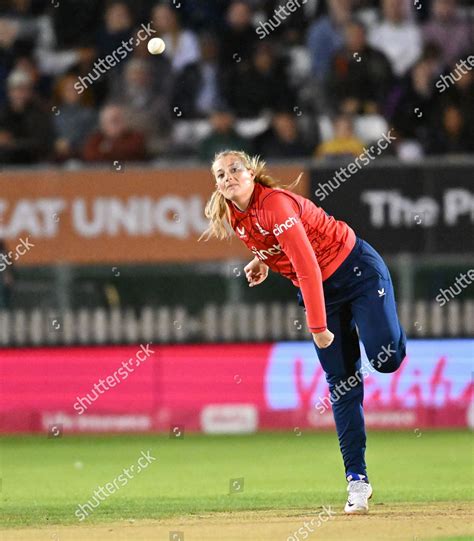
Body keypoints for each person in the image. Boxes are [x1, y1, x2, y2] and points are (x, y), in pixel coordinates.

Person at [200, 150, 407, 514]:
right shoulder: (235, 215)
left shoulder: (275, 204)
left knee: (387, 359)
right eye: (221, 175)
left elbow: (307, 264)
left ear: (252, 174)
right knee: (342, 385)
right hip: (322, 292)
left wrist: (318, 328)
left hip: (356, 271)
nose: (228, 177)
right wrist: (261, 260)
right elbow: (279, 245)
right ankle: (357, 481)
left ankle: (377, 325)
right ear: (217, 185)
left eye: (235, 170)